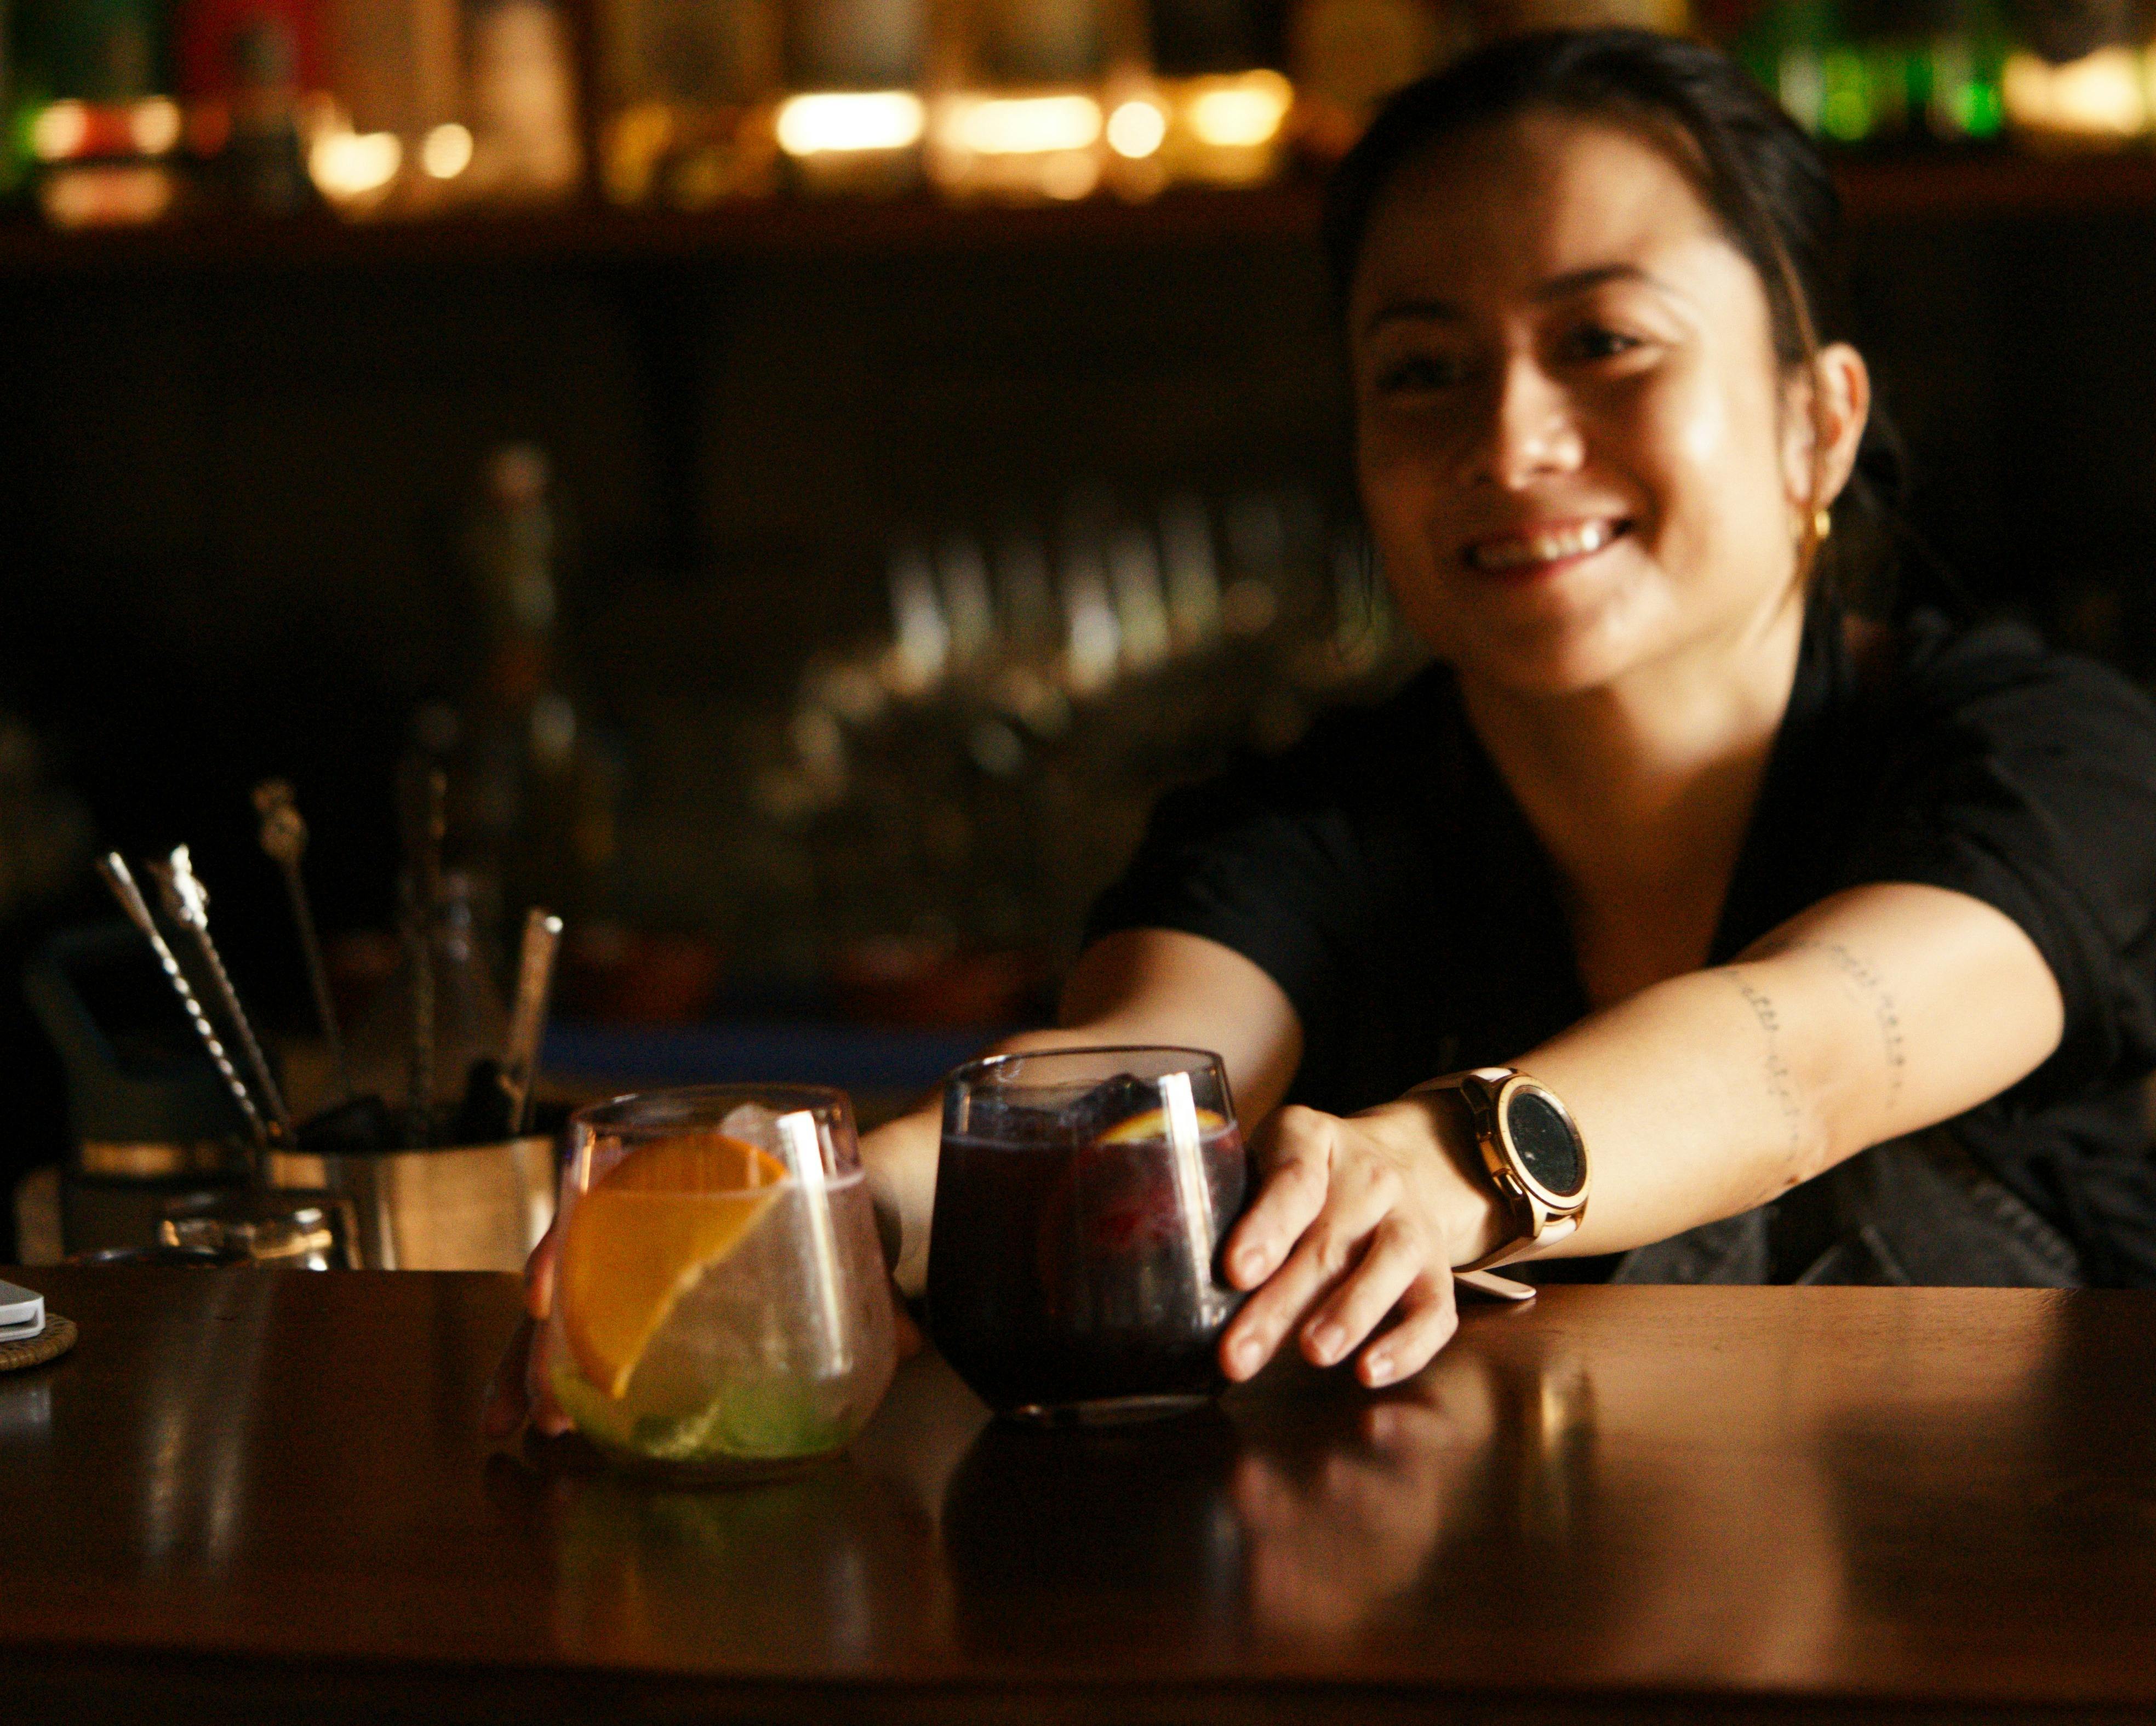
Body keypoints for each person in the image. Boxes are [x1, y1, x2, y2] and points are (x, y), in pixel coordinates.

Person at [487, 28, 2156, 1438]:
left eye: (1603, 343)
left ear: (1817, 417)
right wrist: (818, 1207)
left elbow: (1811, 1058)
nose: (1508, 437)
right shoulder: (1297, 830)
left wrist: (1445, 1166)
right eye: (1424, 371)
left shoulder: (2046, 757)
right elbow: (1127, 1094)